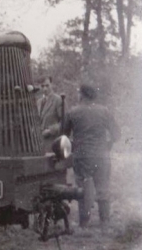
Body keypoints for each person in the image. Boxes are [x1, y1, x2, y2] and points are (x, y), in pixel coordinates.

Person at [62, 84, 120, 228]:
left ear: (82, 95)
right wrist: (108, 144)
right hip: (101, 156)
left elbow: (63, 136)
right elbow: (116, 134)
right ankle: (105, 221)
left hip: (82, 157)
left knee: (83, 189)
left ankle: (84, 222)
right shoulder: (104, 111)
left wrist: (74, 145)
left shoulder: (72, 112)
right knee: (103, 188)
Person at [37, 76, 63, 151]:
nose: (45, 88)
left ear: (51, 84)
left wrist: (50, 131)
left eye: (47, 85)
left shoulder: (58, 100)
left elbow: (64, 122)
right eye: (42, 86)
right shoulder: (38, 102)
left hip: (53, 142)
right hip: (39, 144)